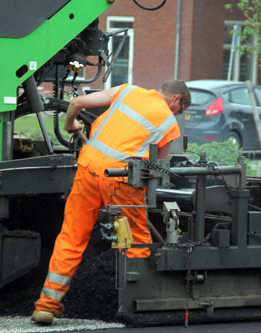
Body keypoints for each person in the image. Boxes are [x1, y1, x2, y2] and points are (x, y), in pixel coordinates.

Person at [32, 80, 191, 325]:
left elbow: (75, 102)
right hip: (120, 179)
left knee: (72, 235)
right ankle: (137, 303)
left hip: (88, 167)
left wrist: (70, 124)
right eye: (177, 110)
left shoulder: (127, 90)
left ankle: (46, 306)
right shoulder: (168, 122)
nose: (175, 115)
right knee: (134, 238)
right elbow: (156, 169)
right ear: (176, 99)